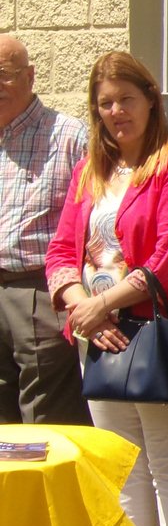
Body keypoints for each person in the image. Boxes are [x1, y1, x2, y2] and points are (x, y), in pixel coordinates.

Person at [46, 50, 168, 526]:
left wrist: (107, 304)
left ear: (150, 99)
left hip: (157, 333)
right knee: (124, 467)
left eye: (126, 98)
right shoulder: (90, 172)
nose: (116, 110)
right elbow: (59, 252)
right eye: (105, 103)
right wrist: (83, 307)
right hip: (97, 339)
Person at [0, 34, 89, 425]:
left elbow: (95, 225)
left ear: (30, 76)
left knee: (47, 422)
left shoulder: (69, 136)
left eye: (3, 75)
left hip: (40, 291)